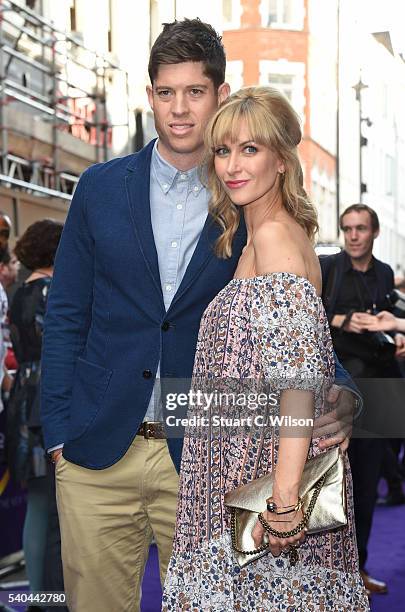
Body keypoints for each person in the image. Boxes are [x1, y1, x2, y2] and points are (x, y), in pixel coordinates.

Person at [41, 19, 362, 612]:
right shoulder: (100, 187)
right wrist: (58, 434)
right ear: (150, 96)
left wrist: (340, 390)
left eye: (195, 92)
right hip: (96, 451)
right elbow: (65, 315)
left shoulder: (247, 196)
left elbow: (291, 325)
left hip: (205, 460)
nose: (180, 110)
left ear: (219, 94)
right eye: (166, 93)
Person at [162, 86, 368, 610]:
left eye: (250, 149)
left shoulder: (275, 237)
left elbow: (297, 384)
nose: (232, 165)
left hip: (260, 475)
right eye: (224, 150)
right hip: (245, 465)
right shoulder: (261, 238)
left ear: (281, 160)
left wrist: (282, 503)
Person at [320, 203, 405, 595]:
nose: (353, 235)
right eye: (347, 228)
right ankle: (326, 575)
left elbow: (390, 316)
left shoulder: (385, 272)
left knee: (368, 486)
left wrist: (398, 336)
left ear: (374, 233)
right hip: (339, 391)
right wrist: (344, 321)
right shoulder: (328, 268)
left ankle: (358, 570)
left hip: (381, 388)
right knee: (330, 485)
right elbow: (309, 316)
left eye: (361, 228)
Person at [6, 220, 64, 597]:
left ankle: (41, 598)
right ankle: (49, 598)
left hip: (22, 402)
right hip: (45, 402)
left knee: (37, 506)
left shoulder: (17, 292)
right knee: (50, 510)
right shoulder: (49, 293)